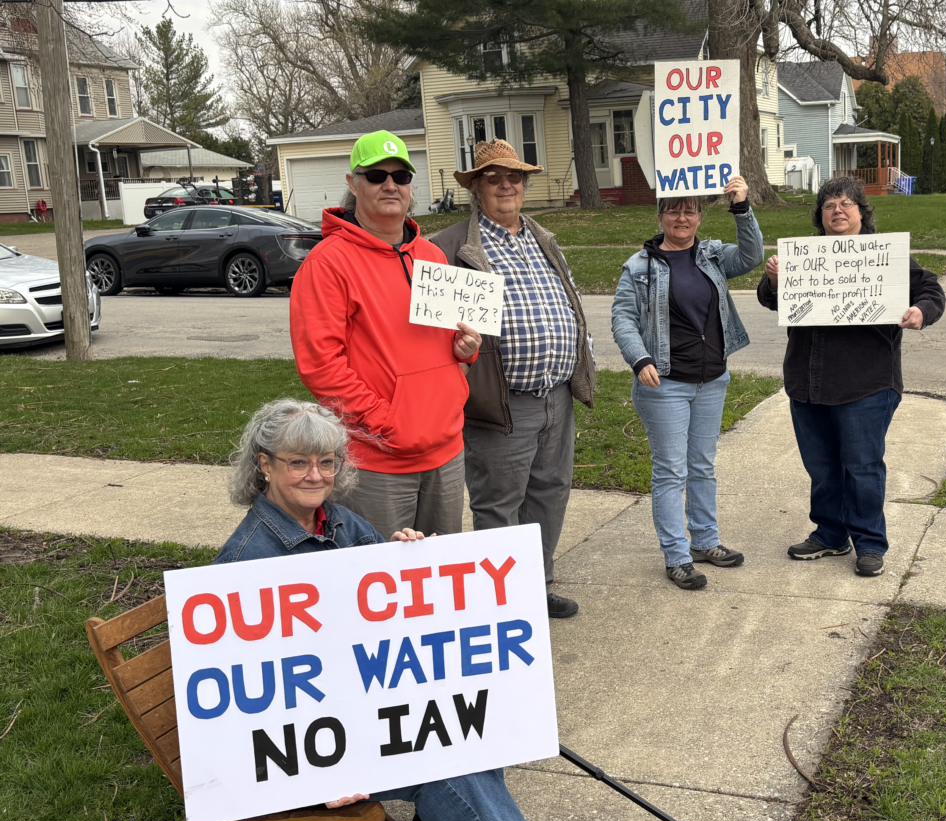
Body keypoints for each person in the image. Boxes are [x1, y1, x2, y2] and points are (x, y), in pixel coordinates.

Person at [213, 398, 616, 821]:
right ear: (264, 465)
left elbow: (386, 614)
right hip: (314, 748)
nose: (315, 475)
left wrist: (406, 567)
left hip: (366, 712)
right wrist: (326, 769)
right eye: (298, 462)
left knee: (475, 717)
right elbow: (252, 700)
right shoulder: (244, 562)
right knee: (444, 761)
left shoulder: (339, 521)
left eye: (327, 462)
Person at [431, 139, 597, 620]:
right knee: (499, 505)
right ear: (477, 188)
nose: (506, 185)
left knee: (550, 493)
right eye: (494, 178)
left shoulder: (543, 239)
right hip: (499, 402)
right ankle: (499, 607)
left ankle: (535, 587)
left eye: (515, 177)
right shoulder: (449, 248)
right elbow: (433, 336)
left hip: (556, 397)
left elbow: (570, 302)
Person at [290, 130, 483, 540]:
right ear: (353, 183)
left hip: (446, 450)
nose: (391, 185)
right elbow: (320, 366)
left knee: (442, 570)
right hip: (378, 461)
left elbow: (449, 343)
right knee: (382, 573)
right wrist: (386, 422)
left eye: (401, 176)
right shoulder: (328, 263)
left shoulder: (431, 255)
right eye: (377, 176)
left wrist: (466, 349)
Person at [757, 176, 946, 577]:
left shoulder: (884, 256)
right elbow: (772, 300)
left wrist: (921, 311)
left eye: (846, 203)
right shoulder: (805, 256)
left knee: (862, 467)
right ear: (820, 215)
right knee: (822, 467)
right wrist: (773, 280)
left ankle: (870, 543)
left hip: (866, 383)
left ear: (862, 212)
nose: (837, 211)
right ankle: (830, 534)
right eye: (829, 205)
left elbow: (930, 288)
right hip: (808, 381)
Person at [610, 178, 764, 590]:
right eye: (674, 210)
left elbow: (752, 255)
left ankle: (706, 541)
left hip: (711, 379)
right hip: (665, 383)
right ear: (660, 217)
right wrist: (639, 357)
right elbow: (623, 318)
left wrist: (741, 206)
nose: (682, 217)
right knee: (670, 471)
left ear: (699, 217)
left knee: (702, 466)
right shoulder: (638, 266)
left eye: (690, 210)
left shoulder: (712, 255)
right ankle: (677, 556)